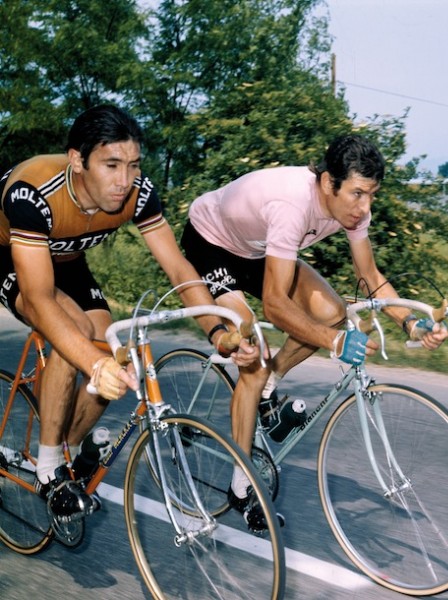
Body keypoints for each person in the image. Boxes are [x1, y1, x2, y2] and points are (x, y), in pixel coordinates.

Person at [0, 104, 257, 521]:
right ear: (77, 160)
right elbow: (41, 299)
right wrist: (90, 360)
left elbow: (178, 268)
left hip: (68, 260)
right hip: (11, 258)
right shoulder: (32, 191)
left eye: (133, 165)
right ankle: (46, 470)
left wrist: (216, 331)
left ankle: (65, 445)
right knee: (75, 336)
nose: (124, 180)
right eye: (112, 165)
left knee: (116, 352)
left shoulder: (137, 192)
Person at [180, 133, 448, 526]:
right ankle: (241, 486)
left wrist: (409, 321)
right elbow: (274, 303)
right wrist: (335, 343)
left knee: (332, 312)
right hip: (211, 243)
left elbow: (369, 274)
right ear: (327, 183)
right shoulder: (292, 204)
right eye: (357, 194)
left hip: (257, 248)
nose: (364, 207)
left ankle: (272, 379)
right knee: (254, 352)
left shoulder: (354, 209)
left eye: (372, 194)